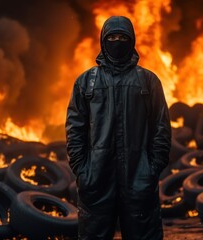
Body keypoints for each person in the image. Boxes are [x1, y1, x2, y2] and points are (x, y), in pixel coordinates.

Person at [65, 15, 171, 240]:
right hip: (96, 181)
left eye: (122, 37)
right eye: (112, 36)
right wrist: (83, 171)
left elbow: (161, 128)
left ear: (132, 40)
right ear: (103, 40)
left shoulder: (148, 81)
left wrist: (151, 169)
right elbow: (75, 130)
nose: (117, 41)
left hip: (139, 180)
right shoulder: (85, 82)